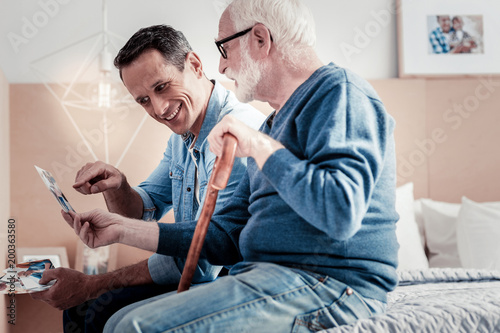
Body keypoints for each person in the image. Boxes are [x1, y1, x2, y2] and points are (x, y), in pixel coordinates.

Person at [62, 0, 399, 331]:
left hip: (330, 282)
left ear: (260, 40)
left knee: (132, 326)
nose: (221, 68)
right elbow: (224, 236)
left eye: (224, 49)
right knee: (119, 322)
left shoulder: (339, 93)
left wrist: (258, 146)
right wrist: (121, 228)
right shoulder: (272, 126)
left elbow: (341, 212)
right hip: (269, 276)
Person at [31, 24, 265, 333]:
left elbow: (206, 260)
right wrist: (119, 186)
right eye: (143, 100)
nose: (158, 109)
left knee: (101, 315)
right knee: (81, 311)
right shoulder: (181, 140)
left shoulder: (236, 132)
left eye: (162, 86)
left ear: (195, 65)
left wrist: (94, 284)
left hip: (230, 277)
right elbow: (143, 209)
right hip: (197, 269)